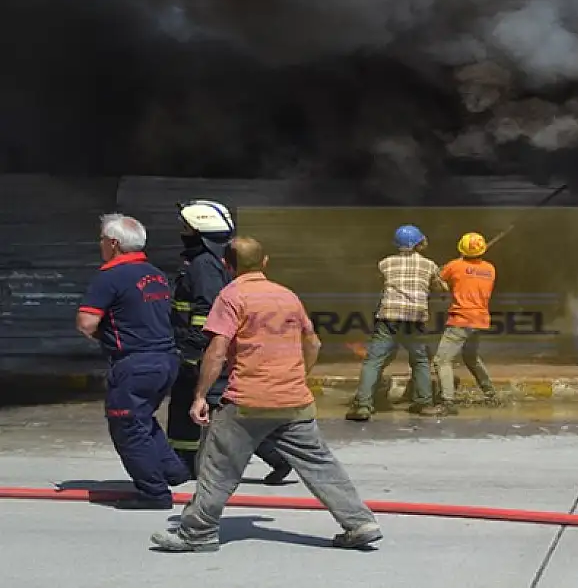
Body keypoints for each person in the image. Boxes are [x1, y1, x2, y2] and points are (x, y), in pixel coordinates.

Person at [150, 236, 383, 552]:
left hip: (247, 401)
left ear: (226, 265)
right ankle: (359, 522)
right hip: (295, 400)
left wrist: (200, 395)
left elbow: (217, 351)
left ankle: (197, 533)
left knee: (217, 467)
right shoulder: (287, 296)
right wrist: (297, 378)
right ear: (265, 263)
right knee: (320, 464)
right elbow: (313, 343)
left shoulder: (231, 296)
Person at [167, 199, 291, 485]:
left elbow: (207, 309)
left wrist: (195, 347)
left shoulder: (203, 265)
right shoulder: (212, 260)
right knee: (193, 406)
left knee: (222, 408)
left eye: (186, 226)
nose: (182, 231)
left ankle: (279, 456)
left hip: (200, 351)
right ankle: (184, 464)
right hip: (197, 349)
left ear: (198, 229)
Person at [75, 213, 191, 510]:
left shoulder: (109, 276)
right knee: (142, 420)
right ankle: (173, 471)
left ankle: (154, 493)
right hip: (166, 360)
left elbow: (86, 323)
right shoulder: (154, 273)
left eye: (101, 240)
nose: (100, 245)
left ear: (113, 243)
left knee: (126, 426)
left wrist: (109, 338)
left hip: (135, 363)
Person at [346, 224, 447, 421]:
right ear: (418, 243)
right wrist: (438, 276)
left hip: (388, 318)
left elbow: (380, 283)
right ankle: (424, 404)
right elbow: (441, 290)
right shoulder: (429, 265)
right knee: (419, 361)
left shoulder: (385, 263)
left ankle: (363, 406)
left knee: (373, 362)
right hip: (414, 320)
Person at [432, 232, 500, 413]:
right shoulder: (490, 269)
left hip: (461, 319)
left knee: (441, 360)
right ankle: (491, 395)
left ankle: (447, 402)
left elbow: (438, 282)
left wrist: (440, 273)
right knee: (471, 358)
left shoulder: (454, 266)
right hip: (480, 320)